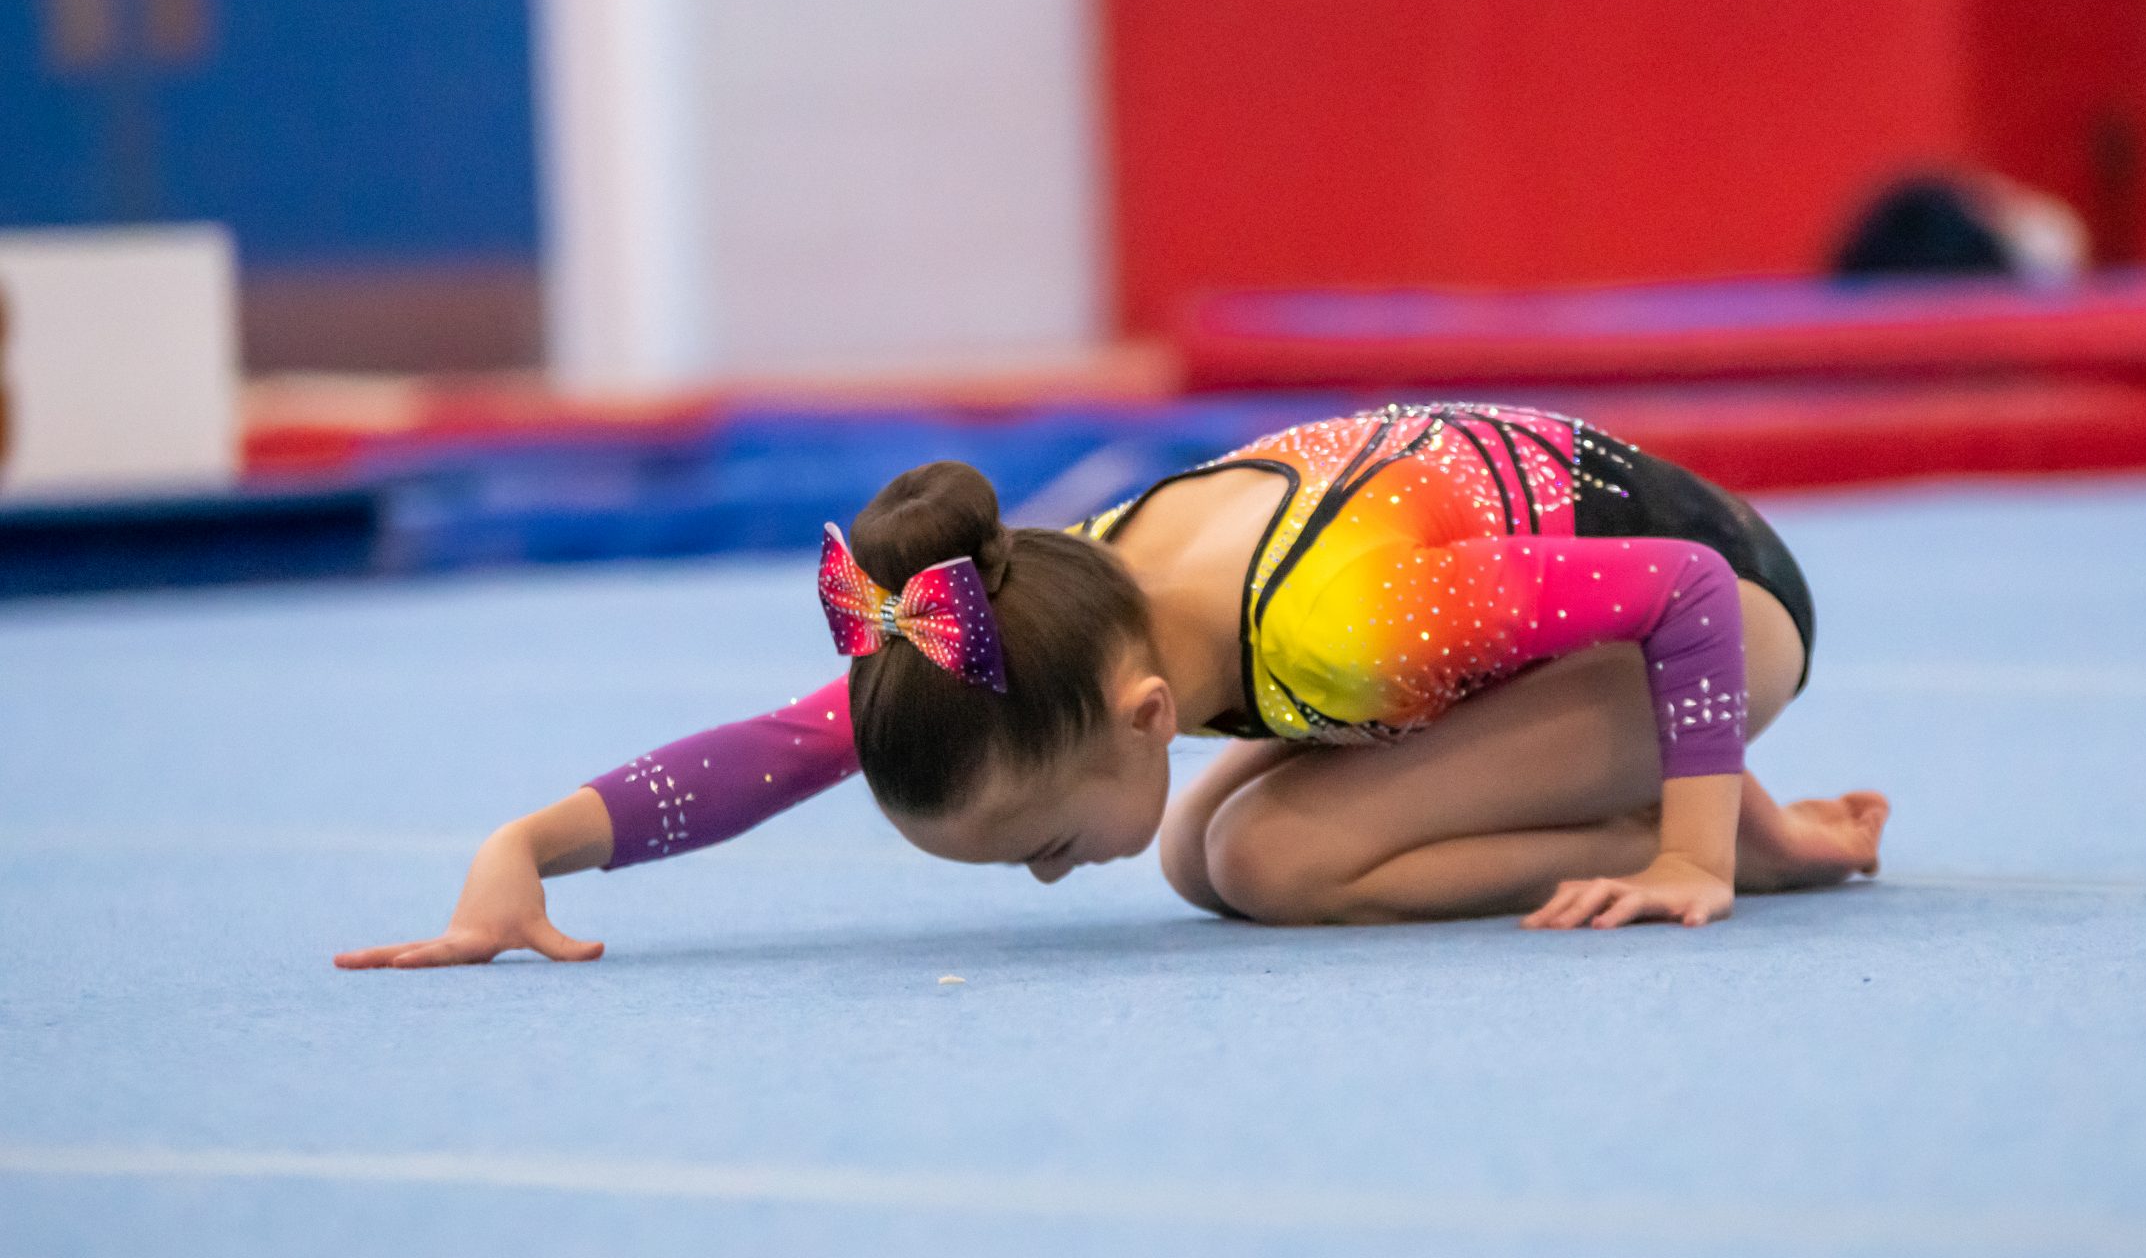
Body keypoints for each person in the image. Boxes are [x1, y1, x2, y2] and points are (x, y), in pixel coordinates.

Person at [336, 403, 1887, 968]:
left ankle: (1723, 837)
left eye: (1037, 843)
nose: (1042, 876)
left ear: (1148, 713)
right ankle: (1698, 819)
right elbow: (779, 749)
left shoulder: (1341, 621)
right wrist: (527, 850)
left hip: (1718, 611)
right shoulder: (1039, 617)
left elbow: (1681, 591)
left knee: (1273, 858)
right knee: (1207, 860)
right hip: (1532, 622)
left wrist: (1689, 844)